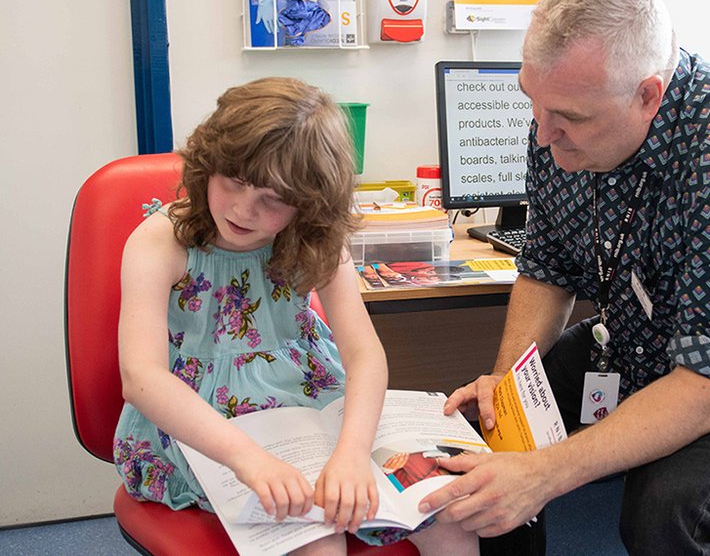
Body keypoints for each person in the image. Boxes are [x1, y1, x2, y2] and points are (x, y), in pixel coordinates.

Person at [420, 0, 710, 554]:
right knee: (483, 438)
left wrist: (545, 473)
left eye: (569, 118)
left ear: (649, 95)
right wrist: (505, 391)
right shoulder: (558, 114)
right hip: (646, 339)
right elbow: (548, 270)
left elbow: (708, 386)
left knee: (664, 504)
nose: (544, 134)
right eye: (534, 103)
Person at [112, 77, 477, 556]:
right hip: (206, 422)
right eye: (234, 181)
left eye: (274, 198)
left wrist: (351, 454)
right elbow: (141, 378)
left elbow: (365, 354)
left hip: (313, 405)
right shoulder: (161, 240)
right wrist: (248, 460)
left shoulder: (315, 236)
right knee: (316, 538)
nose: (244, 209)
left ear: (309, 203)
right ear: (207, 166)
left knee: (446, 514)